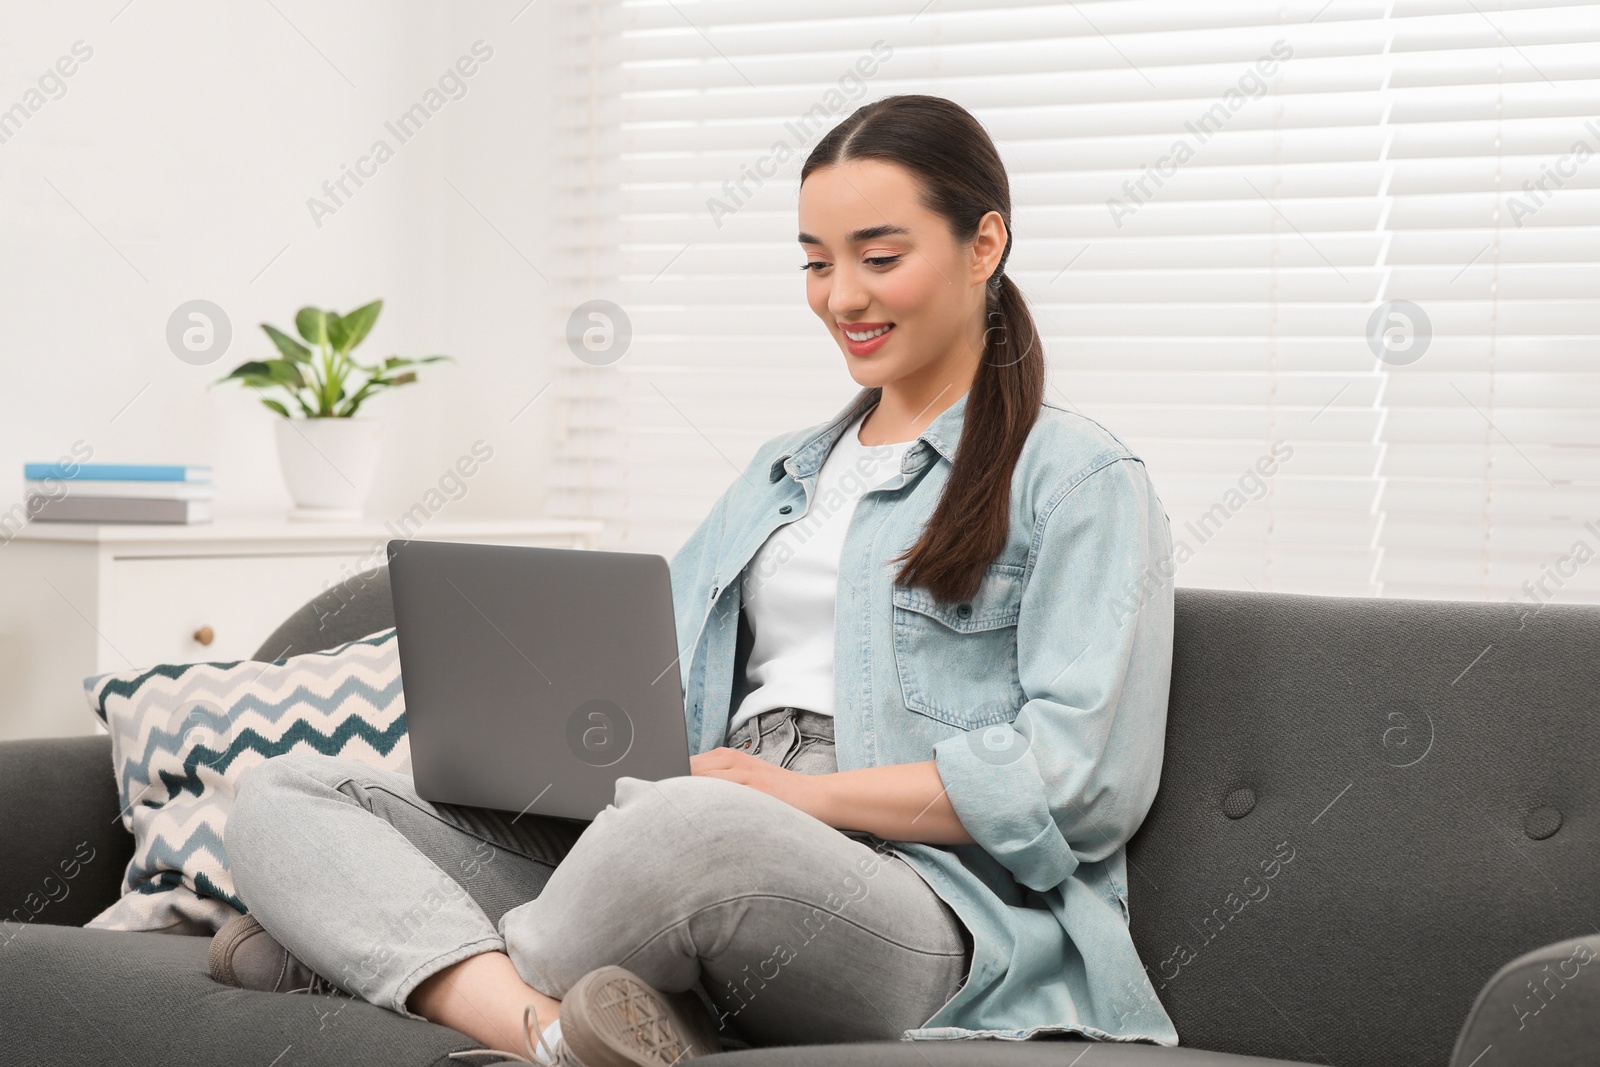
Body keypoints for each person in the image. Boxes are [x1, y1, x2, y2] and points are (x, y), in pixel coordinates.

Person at [217, 93, 1181, 1067]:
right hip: (690, 832)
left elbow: (1077, 783)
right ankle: (547, 1027)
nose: (841, 295)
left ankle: (396, 961)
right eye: (815, 261)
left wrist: (798, 798)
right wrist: (561, 740)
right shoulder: (780, 471)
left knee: (688, 827)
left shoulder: (1081, 480)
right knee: (287, 793)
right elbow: (655, 683)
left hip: (933, 910)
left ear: (984, 245)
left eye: (880, 258)